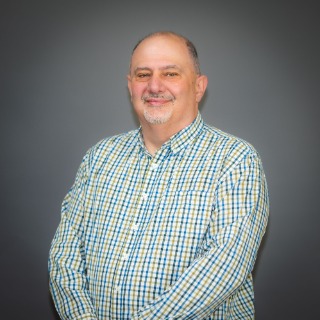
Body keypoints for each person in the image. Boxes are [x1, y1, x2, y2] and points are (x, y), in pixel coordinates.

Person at [49, 31, 269, 320]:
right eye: (143, 75)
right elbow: (64, 256)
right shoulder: (99, 158)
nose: (154, 85)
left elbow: (225, 267)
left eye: (170, 73)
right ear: (130, 86)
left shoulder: (235, 160)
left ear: (199, 87)